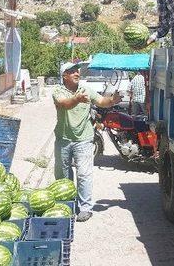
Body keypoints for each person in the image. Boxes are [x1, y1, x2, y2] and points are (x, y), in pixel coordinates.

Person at [52, 62, 122, 222]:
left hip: (84, 138)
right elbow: (64, 104)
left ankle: (85, 208)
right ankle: (66, 206)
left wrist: (112, 100)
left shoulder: (86, 90)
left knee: (84, 174)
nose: (77, 73)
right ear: (64, 75)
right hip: (63, 139)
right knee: (63, 175)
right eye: (72, 71)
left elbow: (101, 101)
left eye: (77, 70)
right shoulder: (58, 90)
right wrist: (76, 99)